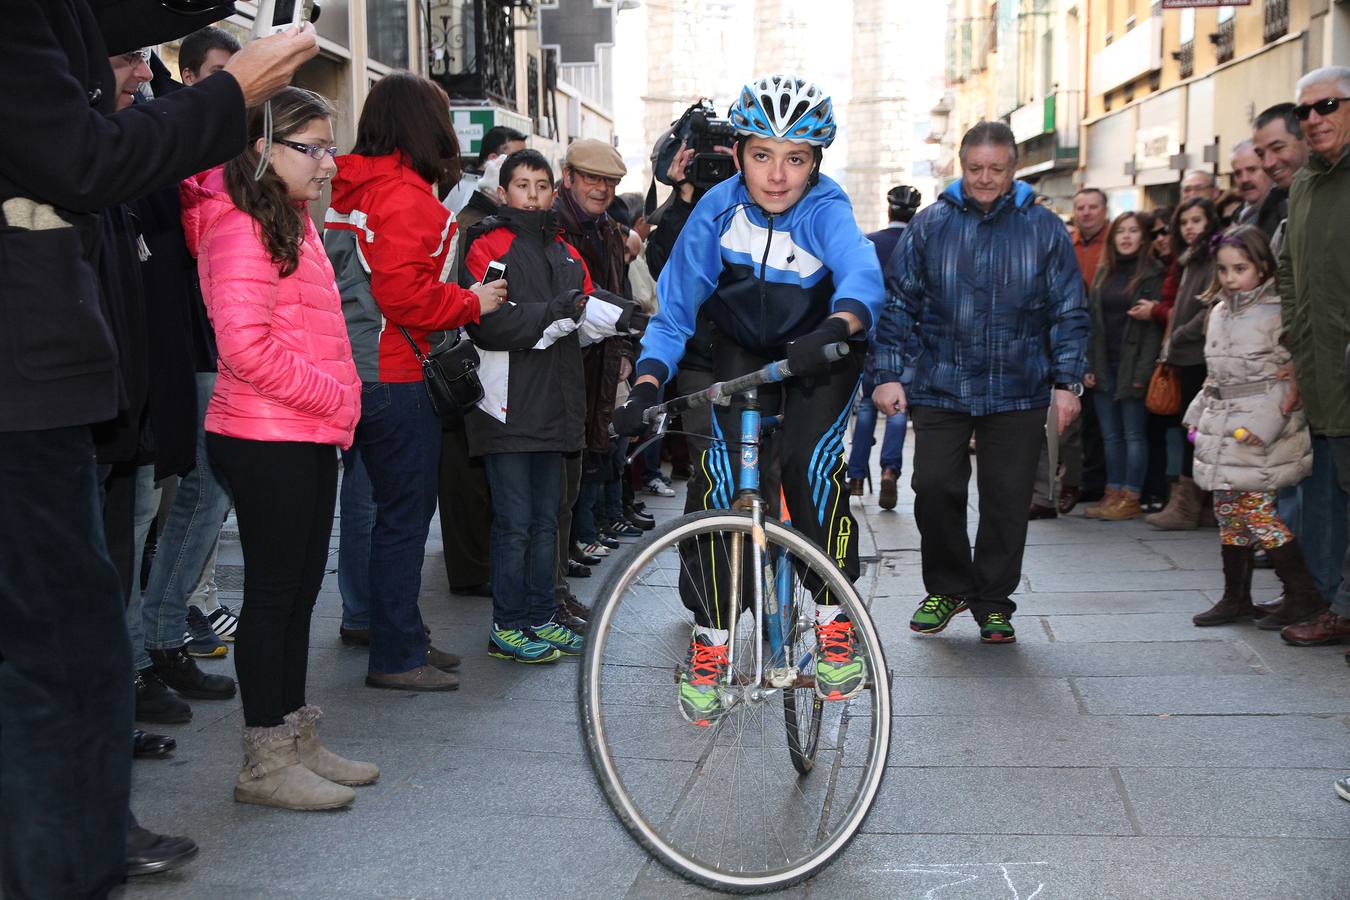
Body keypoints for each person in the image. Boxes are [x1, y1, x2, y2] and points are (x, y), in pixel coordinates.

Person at [0, 2, 317, 892]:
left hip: (61, 389)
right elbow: (83, 159)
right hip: (26, 393)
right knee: (66, 667)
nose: (130, 72)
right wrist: (226, 95)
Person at [615, 73, 883, 719]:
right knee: (714, 486)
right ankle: (710, 644)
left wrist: (835, 327)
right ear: (738, 154)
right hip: (740, 352)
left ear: (816, 162)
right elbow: (675, 311)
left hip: (819, 352)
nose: (778, 175)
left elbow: (863, 276)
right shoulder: (716, 210)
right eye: (762, 154)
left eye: (796, 159)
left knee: (807, 468)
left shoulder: (826, 208)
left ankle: (832, 621)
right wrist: (647, 380)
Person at [183, 87, 379, 811]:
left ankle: (295, 735)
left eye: (330, 147)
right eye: (314, 147)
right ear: (263, 147)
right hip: (266, 434)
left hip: (299, 431)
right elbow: (245, 348)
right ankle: (264, 761)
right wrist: (338, 399)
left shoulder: (287, 219)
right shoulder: (239, 227)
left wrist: (334, 405)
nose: (328, 163)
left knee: (298, 594)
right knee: (272, 598)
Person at [872, 120, 1088, 645]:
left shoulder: (1044, 228)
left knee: (1007, 498)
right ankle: (946, 588)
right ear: (960, 166)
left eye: (996, 169)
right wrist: (886, 372)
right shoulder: (930, 225)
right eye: (975, 169)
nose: (985, 179)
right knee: (933, 486)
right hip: (941, 382)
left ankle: (993, 600)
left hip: (1019, 387)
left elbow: (1069, 309)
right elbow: (899, 303)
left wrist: (1068, 381)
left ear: (1014, 169)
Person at [325, 72, 505, 692]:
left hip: (356, 367)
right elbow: (407, 296)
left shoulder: (349, 187)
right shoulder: (404, 197)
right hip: (396, 373)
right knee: (403, 518)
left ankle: (392, 629)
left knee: (377, 513)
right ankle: (398, 653)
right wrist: (472, 301)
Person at [462, 149, 636, 656]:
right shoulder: (486, 242)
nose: (533, 196)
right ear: (504, 191)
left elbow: (583, 313)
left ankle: (540, 616)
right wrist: (557, 312)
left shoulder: (565, 248)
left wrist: (616, 316)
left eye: (541, 186)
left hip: (559, 404)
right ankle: (507, 625)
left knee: (547, 521)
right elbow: (487, 322)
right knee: (515, 523)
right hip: (508, 405)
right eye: (522, 186)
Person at [1185, 226, 1319, 628]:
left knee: (1258, 512)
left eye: (1239, 268)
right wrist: (1197, 415)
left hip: (1258, 429)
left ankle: (1303, 595)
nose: (1230, 278)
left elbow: (1289, 378)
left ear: (1262, 266)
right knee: (1228, 510)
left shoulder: (1278, 312)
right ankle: (1236, 597)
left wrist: (1263, 425)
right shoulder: (1220, 312)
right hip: (1223, 425)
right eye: (1223, 269)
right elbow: (1216, 375)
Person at [1276, 66, 1350, 655]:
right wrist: (1297, 357)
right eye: (1304, 110)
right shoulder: (1304, 184)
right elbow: (1290, 274)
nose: (1314, 118)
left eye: (1326, 105)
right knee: (1321, 494)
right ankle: (1324, 600)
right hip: (1317, 373)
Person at [553, 138, 636, 621]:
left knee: (582, 467)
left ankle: (558, 582)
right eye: (592, 178)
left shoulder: (609, 232)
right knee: (558, 487)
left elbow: (620, 297)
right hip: (560, 365)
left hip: (601, 366)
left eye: (609, 182)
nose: (602, 189)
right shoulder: (553, 226)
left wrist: (623, 353)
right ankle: (551, 588)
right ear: (569, 178)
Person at [1081, 211, 1166, 521]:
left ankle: (1131, 495)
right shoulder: (1104, 273)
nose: (1127, 237)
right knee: (1110, 435)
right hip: (1105, 363)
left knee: (1133, 435)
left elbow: (1153, 331)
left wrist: (1143, 373)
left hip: (1134, 366)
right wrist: (1088, 364)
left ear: (1143, 237)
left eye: (1133, 231)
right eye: (1121, 232)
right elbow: (1092, 323)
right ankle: (1112, 492)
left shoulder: (1153, 273)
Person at [1031, 187, 1110, 519]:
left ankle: (1073, 484)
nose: (1086, 212)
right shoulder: (1058, 246)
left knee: (1071, 431)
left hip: (1080, 350)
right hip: (1040, 352)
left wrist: (1081, 362)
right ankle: (1046, 493)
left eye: (1093, 206)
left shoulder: (1100, 247)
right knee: (1043, 429)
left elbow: (1078, 315)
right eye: (1081, 207)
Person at [1145, 197, 1221, 530]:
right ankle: (1196, 503)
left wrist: (1179, 334)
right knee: (1189, 430)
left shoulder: (1213, 256)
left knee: (1195, 432)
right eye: (1185, 222)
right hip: (1185, 355)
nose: (1190, 227)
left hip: (1200, 354)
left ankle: (1189, 506)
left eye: (1197, 221)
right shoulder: (1190, 258)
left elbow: (1211, 306)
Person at [850, 184, 921, 508]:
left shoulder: (870, 243)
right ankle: (890, 470)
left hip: (872, 335)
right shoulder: (920, 244)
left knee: (866, 407)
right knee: (897, 409)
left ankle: (856, 475)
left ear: (889, 210)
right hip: (909, 338)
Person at [443, 124, 528, 213]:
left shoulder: (463, 187)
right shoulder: (478, 194)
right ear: (493, 159)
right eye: (515, 158)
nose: (524, 165)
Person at [1230, 139, 1277, 234]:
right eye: (1238, 173)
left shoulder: (1284, 212)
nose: (1244, 179)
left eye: (1252, 170)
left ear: (1268, 168)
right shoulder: (1237, 216)